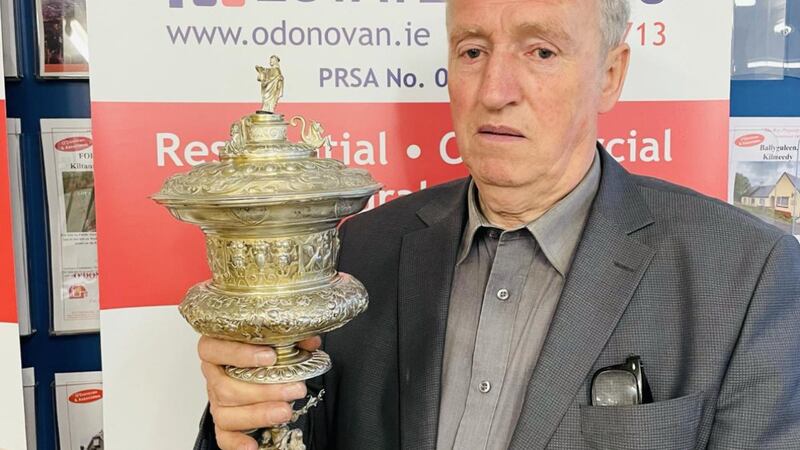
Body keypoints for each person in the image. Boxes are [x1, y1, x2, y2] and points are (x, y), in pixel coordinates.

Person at [195, 0, 800, 449]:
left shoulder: (747, 274)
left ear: (610, 75)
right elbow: (288, 431)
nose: (494, 91)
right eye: (473, 51)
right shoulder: (355, 251)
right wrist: (241, 420)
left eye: (541, 51)